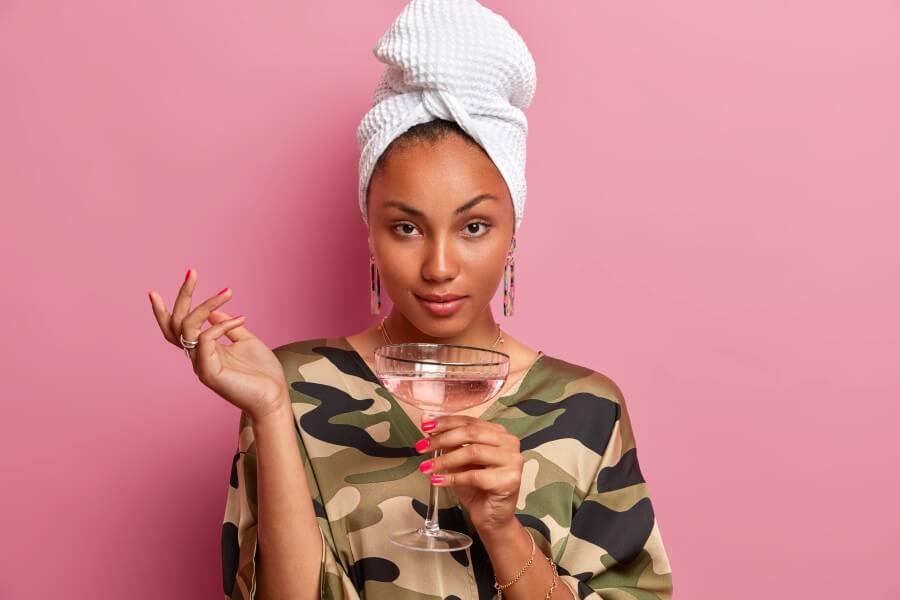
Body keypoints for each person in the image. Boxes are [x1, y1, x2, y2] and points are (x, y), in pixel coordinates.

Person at [149, 1, 673, 598]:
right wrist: (271, 411)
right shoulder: (288, 384)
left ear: (512, 230)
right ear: (369, 229)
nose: (440, 267)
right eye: (407, 227)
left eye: (473, 227)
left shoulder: (586, 408)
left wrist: (502, 529)